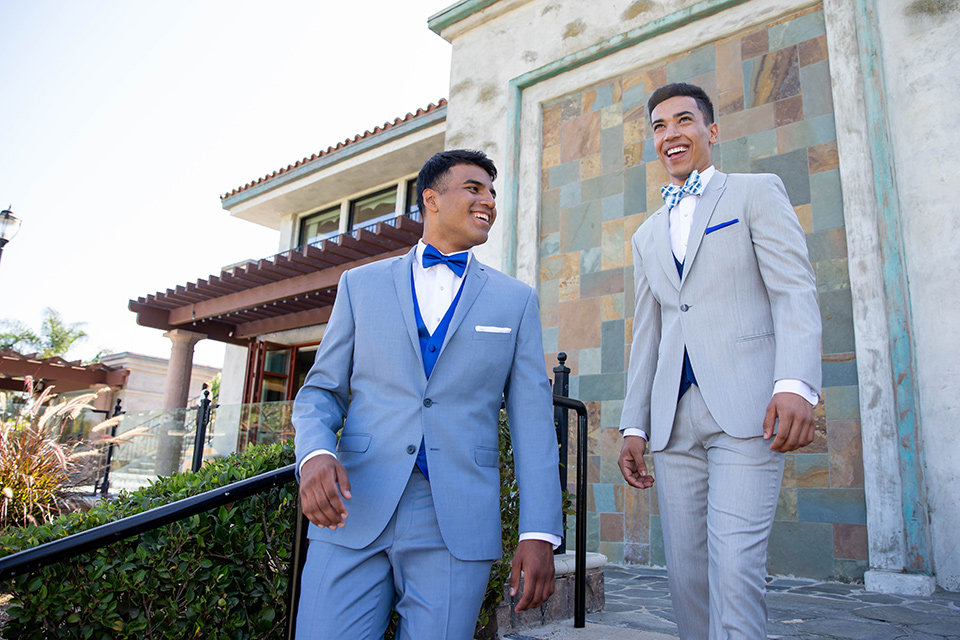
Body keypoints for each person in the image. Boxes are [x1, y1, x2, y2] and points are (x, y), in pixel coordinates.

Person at [292, 149, 562, 639]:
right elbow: (320, 392)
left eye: (493, 192)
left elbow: (533, 423)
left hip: (455, 520)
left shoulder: (515, 300)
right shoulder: (360, 285)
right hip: (354, 506)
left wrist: (539, 531)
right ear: (432, 200)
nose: (489, 201)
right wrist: (313, 453)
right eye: (474, 188)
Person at [618, 83, 822, 640]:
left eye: (683, 121)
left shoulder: (755, 193)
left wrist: (796, 384)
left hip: (749, 409)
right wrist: (635, 424)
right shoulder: (645, 234)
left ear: (711, 130)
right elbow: (649, 335)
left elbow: (794, 290)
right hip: (673, 422)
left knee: (735, 569)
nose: (670, 134)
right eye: (659, 127)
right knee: (686, 577)